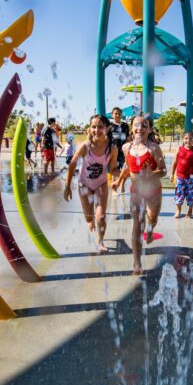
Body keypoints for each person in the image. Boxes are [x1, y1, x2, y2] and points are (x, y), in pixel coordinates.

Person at [112, 115, 166, 274]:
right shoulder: (126, 148)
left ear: (149, 129)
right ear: (131, 128)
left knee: (152, 220)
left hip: (153, 192)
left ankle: (150, 230)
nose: (140, 128)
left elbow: (163, 171)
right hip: (136, 193)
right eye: (137, 125)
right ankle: (137, 262)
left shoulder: (154, 148)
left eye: (144, 125)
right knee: (137, 225)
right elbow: (126, 167)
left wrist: (151, 175)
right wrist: (119, 181)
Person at [64, 115, 118, 253]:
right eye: (94, 126)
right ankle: (90, 220)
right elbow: (71, 166)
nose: (96, 130)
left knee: (101, 216)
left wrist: (122, 175)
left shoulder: (112, 149)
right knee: (89, 219)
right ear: (89, 129)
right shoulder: (85, 147)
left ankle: (101, 241)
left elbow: (112, 169)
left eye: (100, 127)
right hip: (85, 184)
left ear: (107, 129)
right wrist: (67, 187)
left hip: (101, 183)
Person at [170, 131, 193, 218]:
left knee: (191, 195)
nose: (188, 140)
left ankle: (190, 211)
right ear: (183, 139)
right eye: (186, 138)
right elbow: (174, 163)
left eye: (190, 139)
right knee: (179, 194)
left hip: (191, 178)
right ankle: (178, 211)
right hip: (180, 177)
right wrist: (172, 174)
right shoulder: (179, 149)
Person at [109, 107, 130, 193]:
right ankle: (115, 187)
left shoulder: (125, 126)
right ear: (112, 115)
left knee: (125, 170)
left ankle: (122, 185)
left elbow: (128, 138)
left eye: (119, 114)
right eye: (115, 113)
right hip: (114, 152)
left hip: (124, 152)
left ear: (121, 115)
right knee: (114, 170)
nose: (117, 115)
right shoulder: (110, 126)